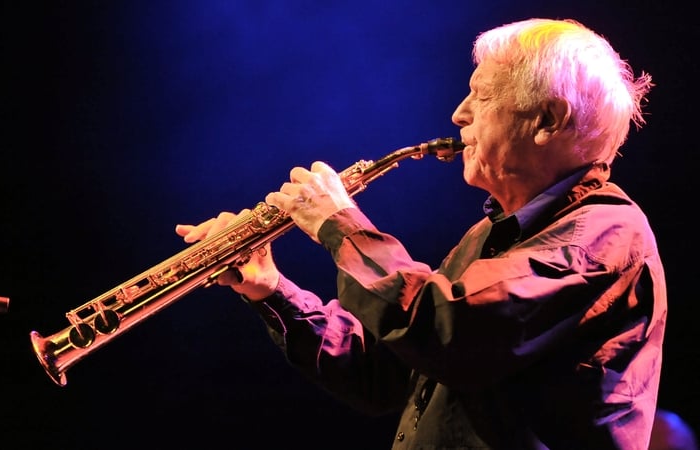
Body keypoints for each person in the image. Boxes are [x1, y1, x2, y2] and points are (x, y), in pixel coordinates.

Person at [176, 18, 665, 449]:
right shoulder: (487, 236)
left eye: (484, 94)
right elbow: (383, 376)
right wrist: (271, 289)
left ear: (548, 120)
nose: (459, 114)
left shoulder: (603, 236)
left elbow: (444, 330)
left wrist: (339, 223)